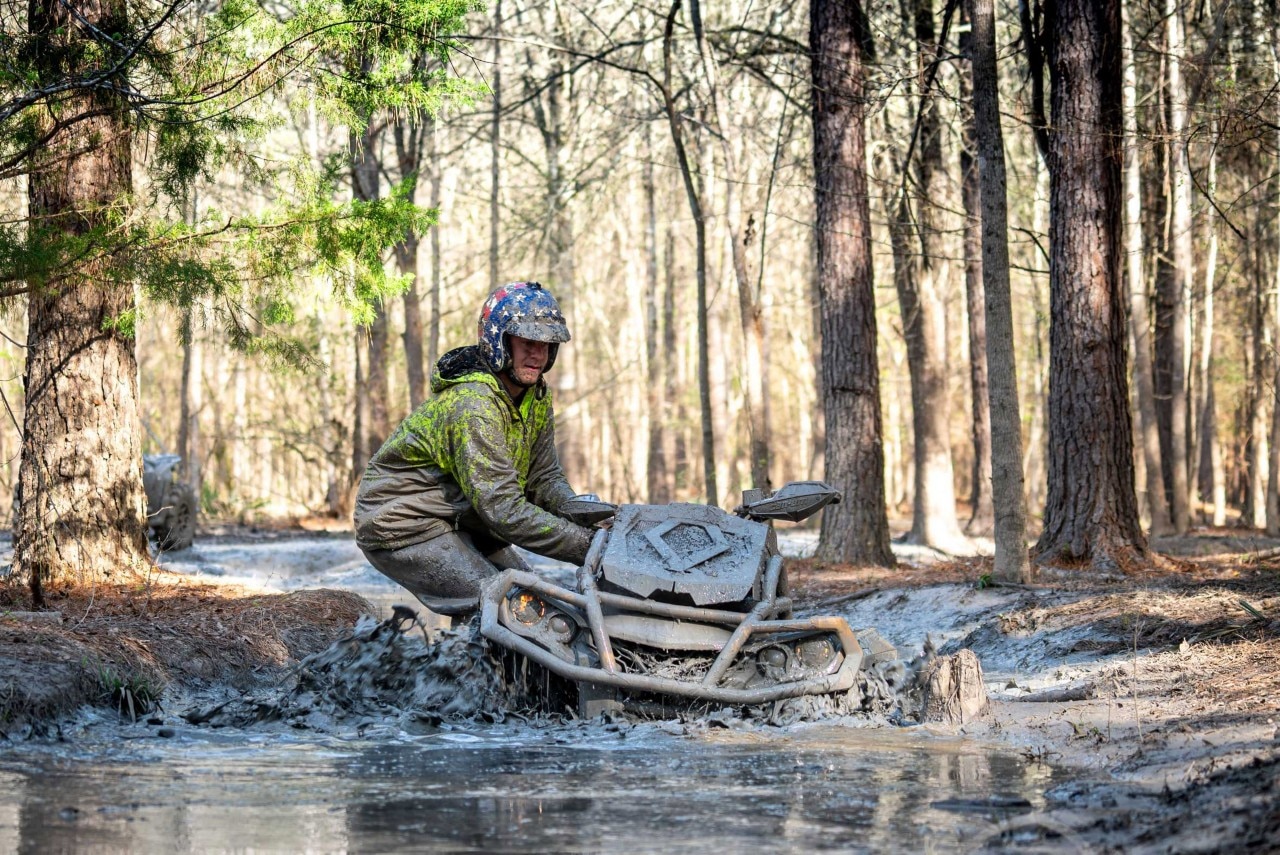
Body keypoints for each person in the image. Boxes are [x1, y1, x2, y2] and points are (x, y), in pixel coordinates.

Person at [354, 281, 597, 617]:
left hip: (463, 518)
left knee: (544, 604)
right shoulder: (473, 403)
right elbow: (504, 510)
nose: (537, 354)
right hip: (403, 524)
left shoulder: (536, 396)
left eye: (546, 344)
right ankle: (443, 668)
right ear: (499, 340)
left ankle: (474, 662)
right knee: (515, 612)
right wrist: (589, 547)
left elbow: (543, 478)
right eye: (528, 342)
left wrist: (587, 517)